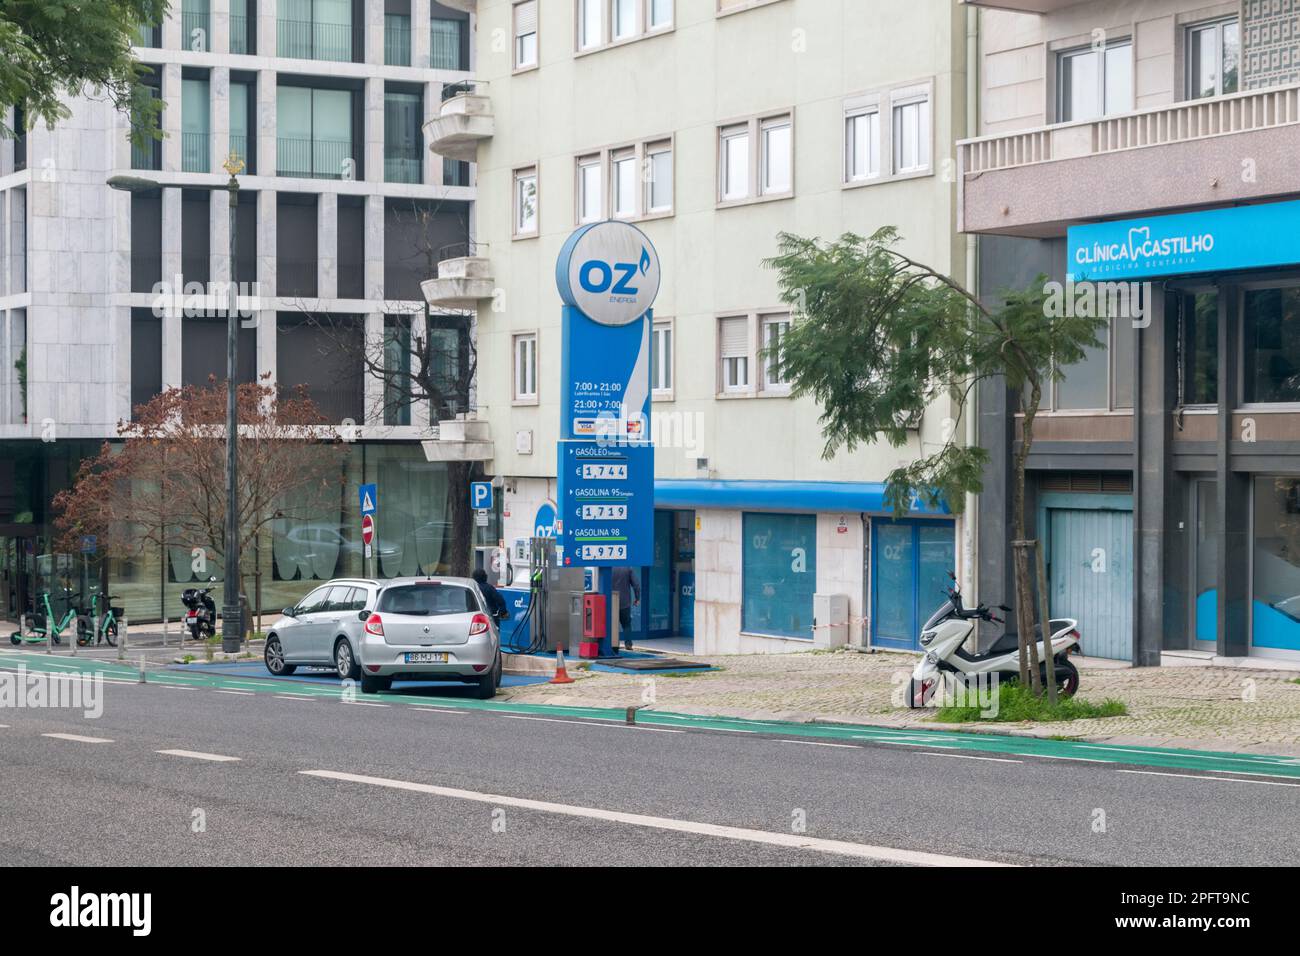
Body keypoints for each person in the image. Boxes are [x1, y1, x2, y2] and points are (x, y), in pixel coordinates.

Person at [611, 566, 640, 651]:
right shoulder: (628, 568)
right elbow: (636, 585)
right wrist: (637, 598)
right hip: (624, 602)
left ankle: (613, 645)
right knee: (626, 624)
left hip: (611, 602)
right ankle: (628, 644)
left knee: (611, 624)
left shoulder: (608, 566)